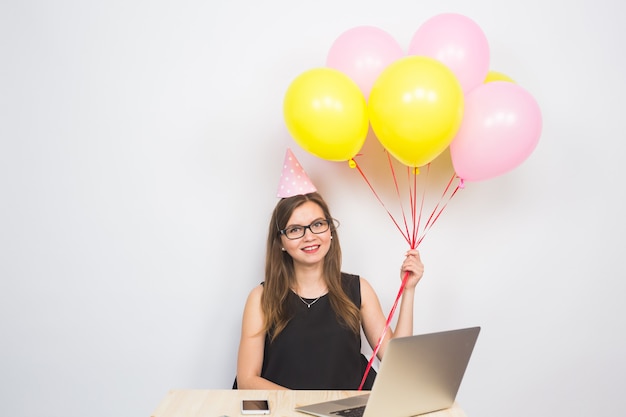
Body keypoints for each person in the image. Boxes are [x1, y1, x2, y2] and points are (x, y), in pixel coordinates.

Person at [235, 150, 424, 390]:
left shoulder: (358, 289)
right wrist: (304, 408)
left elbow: (398, 362)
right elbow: (247, 380)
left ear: (330, 232)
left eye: (317, 224)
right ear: (280, 242)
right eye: (295, 229)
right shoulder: (261, 299)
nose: (309, 237)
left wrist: (408, 290)